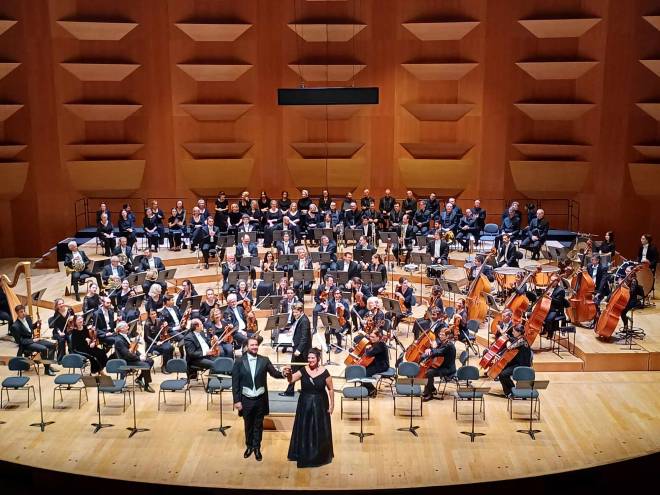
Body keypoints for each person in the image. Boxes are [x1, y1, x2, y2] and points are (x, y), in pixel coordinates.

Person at [232, 336, 288, 461]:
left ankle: (257, 447)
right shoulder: (239, 361)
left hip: (260, 399)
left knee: (258, 424)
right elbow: (235, 383)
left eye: (256, 345)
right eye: (252, 345)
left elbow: (274, 373)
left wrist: (283, 373)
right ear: (247, 346)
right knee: (248, 425)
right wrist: (237, 400)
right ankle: (249, 446)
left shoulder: (264, 360)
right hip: (246, 399)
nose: (255, 347)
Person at [286, 347, 334, 468]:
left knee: (319, 428)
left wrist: (332, 404)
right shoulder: (303, 370)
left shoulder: (325, 372)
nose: (310, 360)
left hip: (320, 403)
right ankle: (304, 453)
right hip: (305, 403)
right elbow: (291, 380)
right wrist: (288, 375)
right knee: (305, 428)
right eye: (309, 358)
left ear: (318, 358)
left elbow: (331, 389)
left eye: (313, 358)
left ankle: (320, 455)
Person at [10, 305, 57, 375]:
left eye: (24, 311)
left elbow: (30, 328)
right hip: (26, 344)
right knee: (44, 349)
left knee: (52, 345)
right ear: (17, 313)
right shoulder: (15, 326)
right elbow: (20, 341)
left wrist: (37, 323)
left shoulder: (28, 318)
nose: (24, 313)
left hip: (33, 340)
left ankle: (49, 365)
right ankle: (47, 370)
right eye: (21, 312)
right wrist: (33, 340)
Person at [280, 303, 312, 397]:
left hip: (301, 351)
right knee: (301, 371)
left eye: (296, 312)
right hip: (298, 349)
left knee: (295, 370)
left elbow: (304, 338)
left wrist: (299, 350)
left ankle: (290, 391)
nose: (294, 314)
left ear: (301, 311)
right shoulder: (300, 318)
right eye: (293, 312)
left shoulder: (304, 320)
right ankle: (303, 390)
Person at [114, 321, 154, 393]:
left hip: (131, 358)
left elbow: (132, 347)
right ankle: (146, 385)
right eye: (126, 326)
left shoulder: (126, 336)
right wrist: (139, 358)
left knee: (150, 361)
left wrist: (140, 355)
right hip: (126, 361)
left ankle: (139, 378)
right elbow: (127, 354)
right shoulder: (119, 340)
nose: (128, 327)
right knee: (146, 364)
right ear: (121, 329)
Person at [498, 325, 532, 397]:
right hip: (518, 362)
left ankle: (511, 391)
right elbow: (514, 340)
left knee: (503, 374)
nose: (512, 332)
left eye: (514, 331)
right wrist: (509, 338)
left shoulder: (522, 340)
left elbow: (510, 347)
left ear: (519, 332)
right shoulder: (521, 338)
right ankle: (509, 391)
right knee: (500, 370)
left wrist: (507, 341)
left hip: (522, 365)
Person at [421, 329, 456, 401]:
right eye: (440, 334)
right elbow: (437, 349)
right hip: (442, 366)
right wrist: (430, 348)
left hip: (448, 369)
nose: (440, 336)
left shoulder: (449, 345)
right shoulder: (443, 343)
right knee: (428, 369)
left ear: (447, 336)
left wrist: (431, 350)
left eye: (443, 335)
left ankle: (430, 393)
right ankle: (430, 389)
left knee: (429, 372)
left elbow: (439, 352)